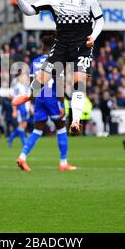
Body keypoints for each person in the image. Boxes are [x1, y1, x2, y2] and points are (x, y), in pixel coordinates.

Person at [12, 0, 104, 136]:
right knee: (41, 78)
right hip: (61, 45)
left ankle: (75, 121)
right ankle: (29, 94)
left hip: (83, 46)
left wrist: (93, 37)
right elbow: (30, 11)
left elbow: (99, 20)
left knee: (79, 81)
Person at [16, 36, 76, 172]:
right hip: (52, 98)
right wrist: (61, 105)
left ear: (42, 46)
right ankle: (63, 163)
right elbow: (59, 84)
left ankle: (22, 157)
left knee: (37, 130)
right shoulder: (56, 61)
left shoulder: (35, 62)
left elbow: (32, 84)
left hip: (38, 99)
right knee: (61, 129)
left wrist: (31, 102)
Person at [8, 71, 31, 148]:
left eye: (25, 76)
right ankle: (24, 143)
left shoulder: (26, 87)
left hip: (26, 108)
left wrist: (30, 107)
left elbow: (28, 98)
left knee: (24, 126)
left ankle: (11, 138)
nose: (25, 78)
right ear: (19, 77)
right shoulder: (17, 87)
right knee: (21, 125)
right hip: (20, 108)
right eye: (23, 76)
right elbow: (13, 99)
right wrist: (14, 111)